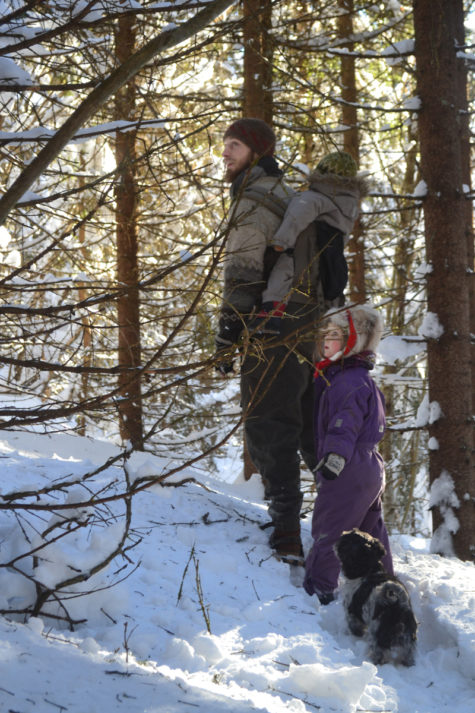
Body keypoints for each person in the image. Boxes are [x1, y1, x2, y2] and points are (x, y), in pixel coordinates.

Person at [215, 118, 323, 564]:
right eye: (224, 145)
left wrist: (227, 334)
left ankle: (286, 537)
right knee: (307, 423)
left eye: (235, 146)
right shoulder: (284, 195)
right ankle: (352, 519)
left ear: (257, 153)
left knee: (268, 423)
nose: (225, 154)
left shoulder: (255, 199)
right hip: (304, 326)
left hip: (271, 326)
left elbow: (243, 271)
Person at [303, 304, 394, 604]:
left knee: (332, 527)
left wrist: (335, 457)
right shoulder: (363, 380)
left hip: (349, 466)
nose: (326, 341)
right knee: (371, 532)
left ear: (353, 341)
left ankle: (320, 589)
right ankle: (386, 588)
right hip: (370, 467)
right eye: (325, 334)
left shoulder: (347, 382)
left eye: (335, 335)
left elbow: (345, 423)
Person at [251, 151, 366, 335]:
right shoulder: (348, 209)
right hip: (322, 280)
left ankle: (271, 314)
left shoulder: (312, 198)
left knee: (283, 270)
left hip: (298, 270)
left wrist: (279, 243)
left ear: (321, 173)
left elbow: (295, 218)